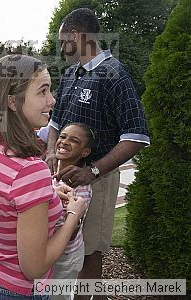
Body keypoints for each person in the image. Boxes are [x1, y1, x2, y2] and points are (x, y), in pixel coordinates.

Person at [46, 8, 150, 300]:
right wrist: (52, 151)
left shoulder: (114, 75)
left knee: (89, 251)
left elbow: (136, 135)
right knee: (64, 244)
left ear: (77, 36)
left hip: (96, 180)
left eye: (63, 39)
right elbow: (55, 121)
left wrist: (92, 171)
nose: (61, 46)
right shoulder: (70, 74)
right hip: (64, 180)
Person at [0, 54, 87, 299]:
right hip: (16, 291)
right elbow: (34, 267)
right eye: (42, 91)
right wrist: (74, 215)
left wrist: (47, 194)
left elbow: (6, 199)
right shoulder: (29, 170)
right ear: (13, 101)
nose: (52, 100)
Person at [51, 123, 94, 300]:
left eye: (74, 140)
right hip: (47, 251)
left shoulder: (80, 186)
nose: (65, 142)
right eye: (62, 136)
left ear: (85, 152)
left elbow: (72, 230)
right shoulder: (48, 170)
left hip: (64, 257)